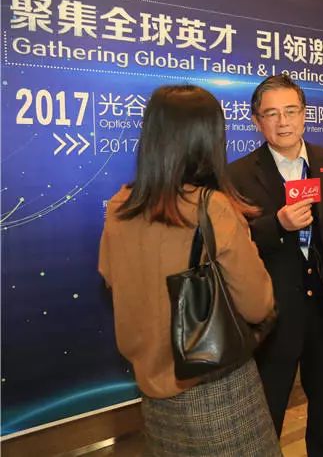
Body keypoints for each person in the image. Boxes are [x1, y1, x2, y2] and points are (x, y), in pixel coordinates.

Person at [99, 85, 280, 457]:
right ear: (207, 140)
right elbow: (257, 304)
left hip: (152, 387)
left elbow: (111, 278)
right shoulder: (212, 208)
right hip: (216, 388)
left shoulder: (119, 206)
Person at [229, 74, 323, 456]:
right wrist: (277, 225)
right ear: (256, 121)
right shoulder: (237, 174)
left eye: (291, 111)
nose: (283, 122)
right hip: (274, 314)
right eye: (272, 114)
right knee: (268, 411)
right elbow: (232, 246)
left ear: (305, 114)